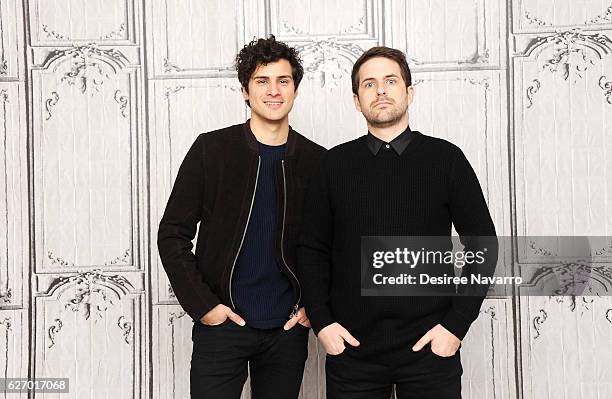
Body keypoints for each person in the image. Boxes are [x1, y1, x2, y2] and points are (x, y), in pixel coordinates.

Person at [297, 46, 498, 399]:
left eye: (391, 81)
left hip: (430, 350)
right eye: (369, 84)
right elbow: (312, 249)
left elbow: (483, 245)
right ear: (357, 100)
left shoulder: (446, 159)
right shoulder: (332, 166)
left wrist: (455, 327)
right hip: (352, 353)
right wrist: (324, 324)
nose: (381, 90)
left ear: (410, 92)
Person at [157, 35, 325, 399]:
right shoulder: (212, 150)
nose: (274, 91)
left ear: (295, 89)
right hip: (222, 325)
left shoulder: (317, 161)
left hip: (286, 328)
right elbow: (172, 233)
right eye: (262, 81)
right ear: (246, 91)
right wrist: (205, 308)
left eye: (283, 81)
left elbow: (331, 244)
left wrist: (314, 307)